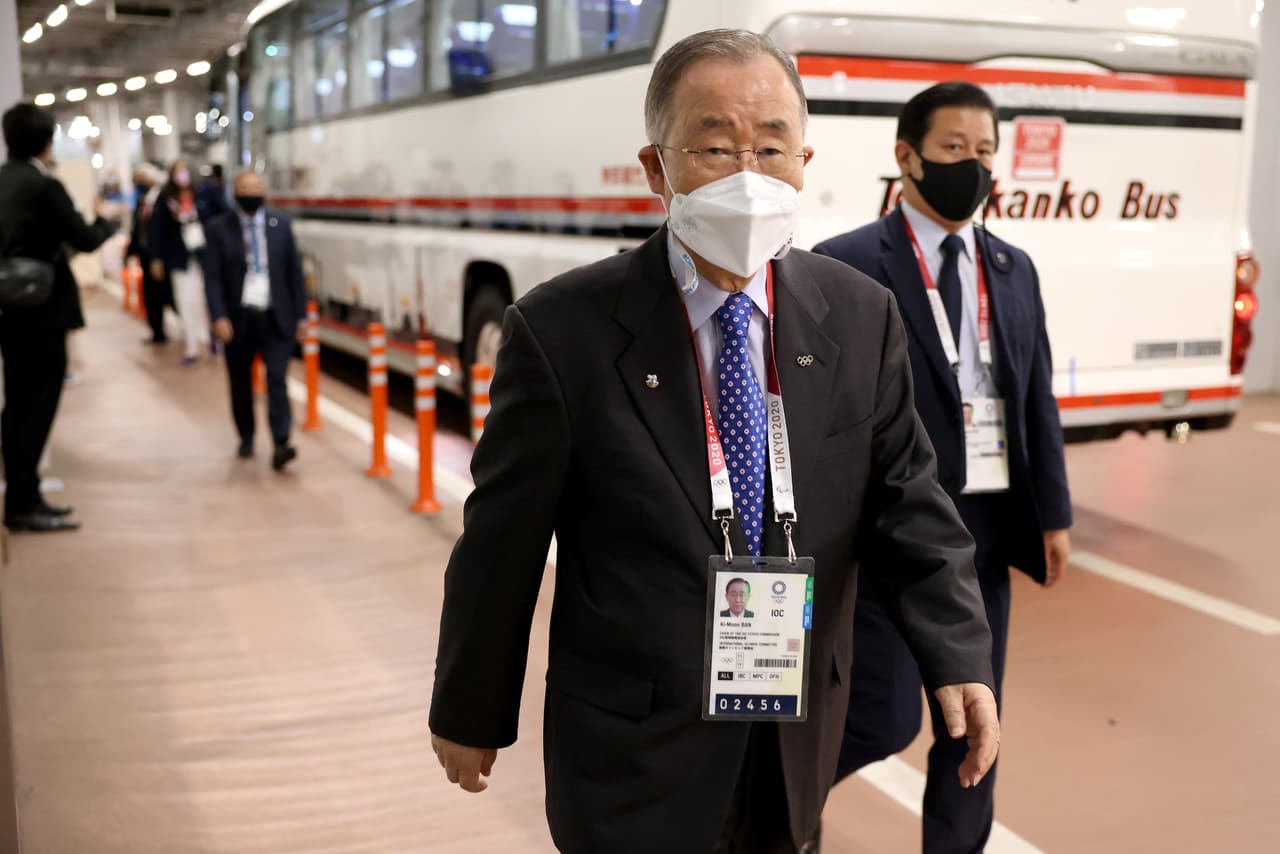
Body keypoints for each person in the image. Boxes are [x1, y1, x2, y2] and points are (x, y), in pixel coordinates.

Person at [429, 31, 999, 854]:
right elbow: (501, 542)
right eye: (715, 146)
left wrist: (959, 653)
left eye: (771, 146)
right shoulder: (562, 332)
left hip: (794, 733)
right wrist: (471, 706)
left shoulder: (860, 315)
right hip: (634, 748)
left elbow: (910, 502)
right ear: (657, 168)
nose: (748, 174)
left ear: (804, 159)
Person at [812, 81, 1072, 854]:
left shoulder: (1013, 267)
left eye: (985, 151)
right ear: (907, 157)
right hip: (889, 537)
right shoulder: (847, 263)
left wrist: (1052, 512)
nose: (974, 165)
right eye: (954, 149)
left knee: (974, 730)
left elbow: (1036, 396)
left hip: (985, 534)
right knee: (876, 717)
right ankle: (774, 816)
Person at [0, 102, 116, 532]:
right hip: (43, 311)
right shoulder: (45, 186)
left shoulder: (2, 180)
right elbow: (83, 238)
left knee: (16, 406)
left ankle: (21, 496)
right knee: (38, 406)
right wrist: (105, 223)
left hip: (8, 310)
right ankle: (25, 503)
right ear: (47, 141)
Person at [201, 170, 306, 470]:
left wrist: (301, 316)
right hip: (238, 319)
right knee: (240, 382)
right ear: (235, 193)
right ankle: (246, 435)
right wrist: (218, 315)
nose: (251, 192)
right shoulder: (219, 229)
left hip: (275, 317)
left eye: (256, 187)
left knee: (276, 380)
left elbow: (294, 274)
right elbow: (213, 278)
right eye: (245, 188)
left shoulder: (281, 225)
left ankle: (281, 442)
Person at [146, 159, 211, 365]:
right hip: (179, 258)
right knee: (184, 300)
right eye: (178, 171)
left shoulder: (202, 196)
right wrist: (156, 258)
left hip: (203, 255)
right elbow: (156, 230)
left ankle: (210, 338)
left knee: (205, 299)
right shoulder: (165, 199)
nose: (182, 175)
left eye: (185, 170)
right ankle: (191, 344)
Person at [126, 164, 171, 345]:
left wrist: (158, 257)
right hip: (145, 255)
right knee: (150, 295)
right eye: (137, 180)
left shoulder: (162, 199)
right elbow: (137, 229)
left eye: (143, 179)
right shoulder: (141, 201)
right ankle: (157, 331)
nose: (140, 183)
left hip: (159, 256)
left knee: (165, 293)